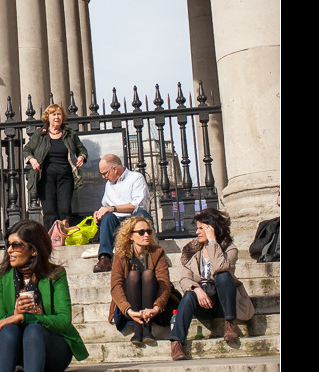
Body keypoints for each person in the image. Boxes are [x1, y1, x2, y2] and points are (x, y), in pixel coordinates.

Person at [0, 220, 87, 372]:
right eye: (9, 245)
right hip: (18, 350)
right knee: (8, 331)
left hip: (53, 349)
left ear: (33, 249)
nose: (10, 251)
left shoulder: (55, 275)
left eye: (17, 245)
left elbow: (64, 321)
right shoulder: (3, 278)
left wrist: (28, 316)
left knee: (33, 329)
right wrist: (13, 314)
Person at [169, 208, 255, 361]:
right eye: (197, 228)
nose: (197, 232)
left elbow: (220, 267)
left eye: (201, 228)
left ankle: (229, 324)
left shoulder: (229, 248)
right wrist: (197, 289)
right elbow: (184, 279)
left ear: (212, 228)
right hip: (203, 302)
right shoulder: (193, 252)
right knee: (189, 294)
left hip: (224, 303)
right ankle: (176, 342)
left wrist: (213, 241)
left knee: (223, 276)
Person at [109, 216, 173, 346]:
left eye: (149, 231)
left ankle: (146, 329)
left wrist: (156, 307)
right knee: (133, 276)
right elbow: (116, 285)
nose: (146, 235)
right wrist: (128, 310)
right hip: (129, 306)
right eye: (141, 232)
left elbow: (163, 282)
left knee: (148, 274)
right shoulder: (120, 255)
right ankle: (138, 330)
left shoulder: (157, 252)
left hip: (155, 305)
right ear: (130, 236)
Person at [23, 104, 88, 230]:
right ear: (48, 117)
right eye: (53, 114)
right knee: (49, 211)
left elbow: (81, 149)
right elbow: (27, 150)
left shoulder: (70, 134)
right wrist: (32, 160)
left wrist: (81, 157)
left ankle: (64, 236)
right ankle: (51, 239)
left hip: (65, 176)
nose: (57, 117)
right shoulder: (40, 134)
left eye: (59, 114)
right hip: (45, 177)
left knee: (64, 209)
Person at [92, 154, 151, 273]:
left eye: (105, 173)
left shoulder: (136, 178)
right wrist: (99, 212)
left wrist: (113, 208)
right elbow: (106, 205)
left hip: (134, 218)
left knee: (141, 215)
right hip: (117, 221)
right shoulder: (109, 184)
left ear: (114, 169)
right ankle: (105, 258)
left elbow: (136, 205)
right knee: (107, 217)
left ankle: (148, 254)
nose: (103, 177)